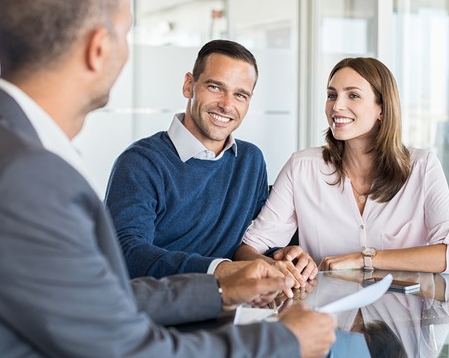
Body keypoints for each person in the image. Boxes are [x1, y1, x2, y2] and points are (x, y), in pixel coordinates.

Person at [0, 0, 338, 357]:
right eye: (125, 34)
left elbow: (91, 300)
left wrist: (219, 291)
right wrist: (283, 342)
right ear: (98, 47)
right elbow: (124, 347)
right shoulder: (28, 176)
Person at [105, 39, 316, 286]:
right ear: (188, 85)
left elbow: (250, 243)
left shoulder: (250, 161)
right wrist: (220, 269)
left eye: (240, 94)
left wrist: (282, 257)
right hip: (161, 312)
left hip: (234, 308)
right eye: (216, 87)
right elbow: (127, 254)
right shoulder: (140, 163)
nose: (227, 105)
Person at [236, 57, 449, 274]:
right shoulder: (302, 168)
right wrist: (280, 270)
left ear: (382, 109)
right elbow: (247, 250)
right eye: (331, 95)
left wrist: (365, 258)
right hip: (326, 315)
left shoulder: (422, 167)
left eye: (353, 95)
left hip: (400, 316)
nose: (336, 106)